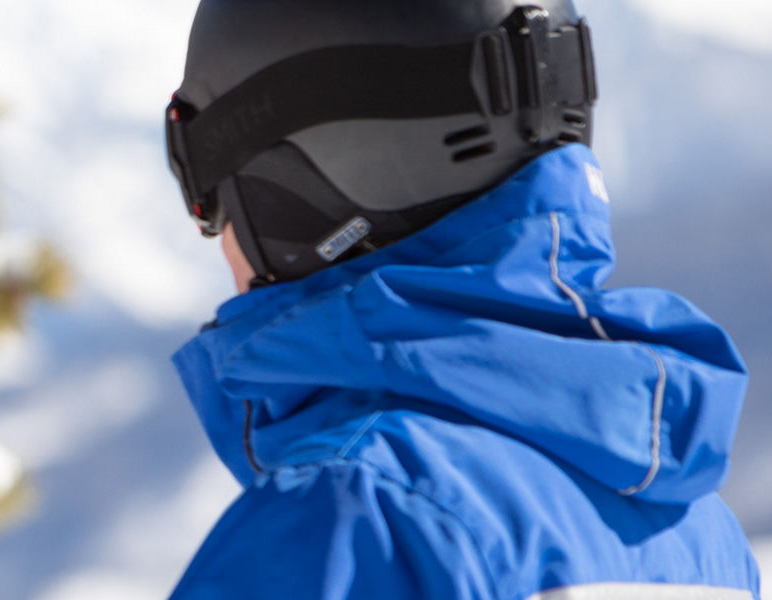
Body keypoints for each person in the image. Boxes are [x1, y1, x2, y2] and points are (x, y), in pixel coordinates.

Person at [161, 0, 755, 597]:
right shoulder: (701, 535)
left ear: (307, 181)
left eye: (210, 200)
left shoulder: (352, 519)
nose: (216, 237)